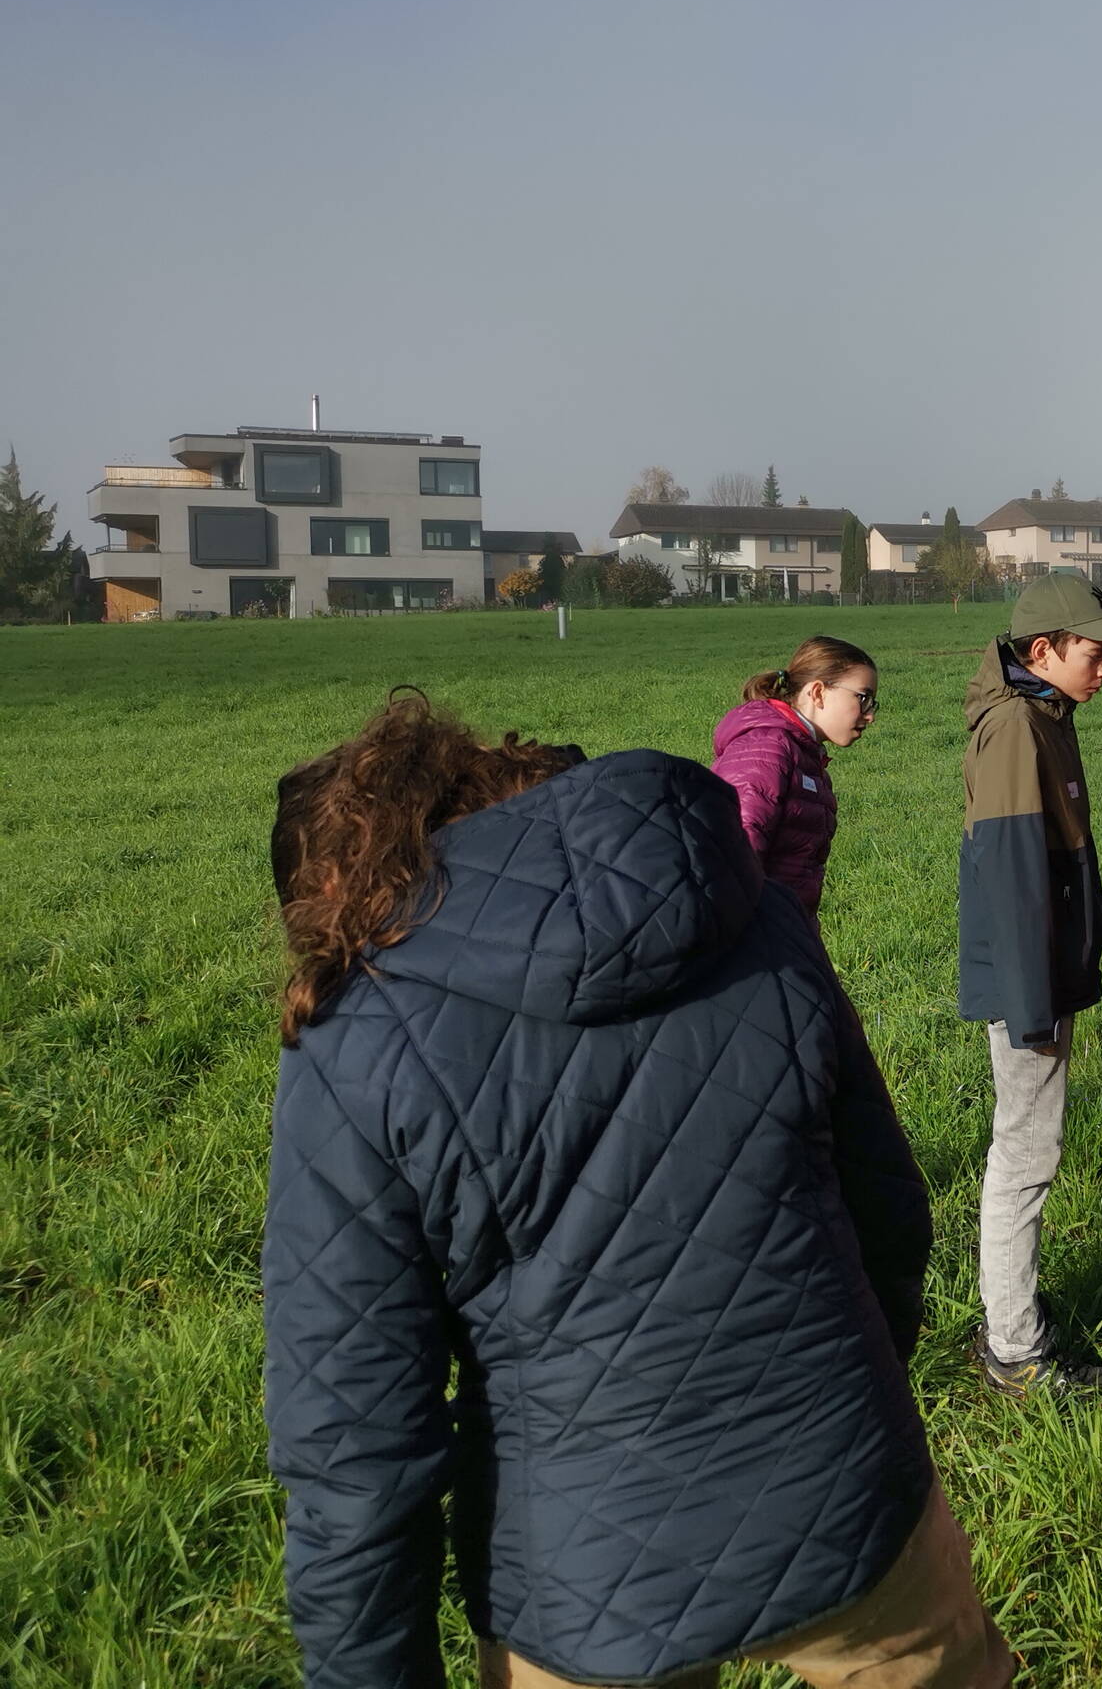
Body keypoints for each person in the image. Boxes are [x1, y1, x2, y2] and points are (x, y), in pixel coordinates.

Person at [262, 694, 1010, 1689]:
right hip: (847, 1494)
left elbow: (353, 1438)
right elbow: (886, 1210)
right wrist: (846, 1413)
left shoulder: (357, 1037)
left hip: (577, 1572)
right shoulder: (757, 916)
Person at [959, 572, 1102, 1394]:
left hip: (1042, 972)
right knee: (1026, 1152)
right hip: (1026, 984)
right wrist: (1034, 1003)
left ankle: (1013, 1315)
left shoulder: (1045, 714)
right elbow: (1008, 872)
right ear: (1043, 651)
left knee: (1029, 1147)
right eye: (1095, 654)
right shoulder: (1016, 730)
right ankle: (1012, 1348)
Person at [712, 635, 879, 918]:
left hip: (781, 933)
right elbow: (731, 858)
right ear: (817, 692)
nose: (870, 715)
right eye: (863, 698)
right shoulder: (767, 750)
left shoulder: (805, 756)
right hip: (753, 941)